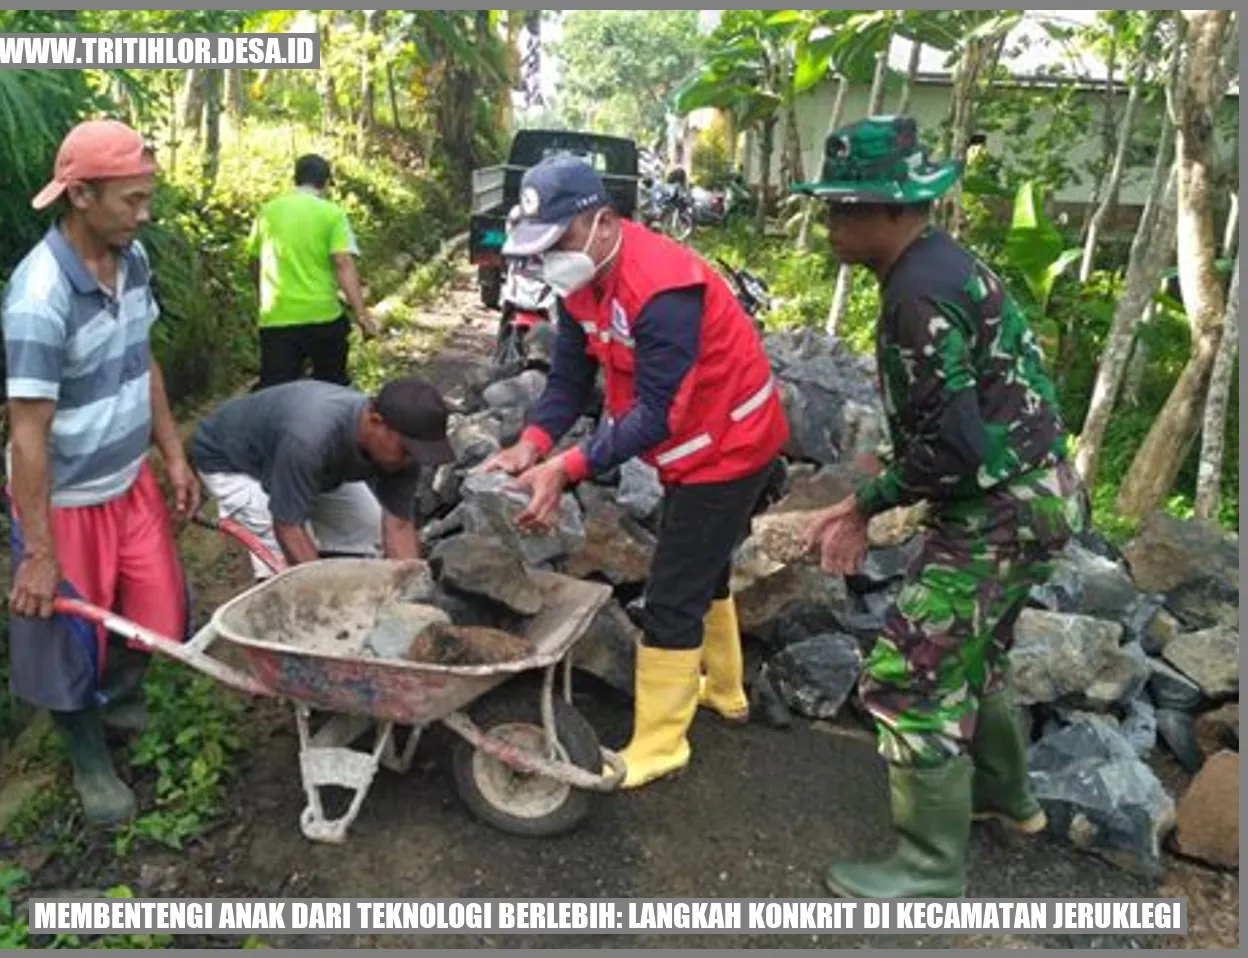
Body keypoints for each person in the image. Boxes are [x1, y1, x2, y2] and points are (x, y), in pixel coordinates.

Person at [793, 116, 1084, 898]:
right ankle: (1005, 800)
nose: (831, 225)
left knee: (907, 676)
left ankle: (928, 863)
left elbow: (953, 450)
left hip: (995, 509)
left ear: (895, 210)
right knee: (973, 656)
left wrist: (862, 506)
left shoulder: (915, 296)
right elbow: (976, 411)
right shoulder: (945, 268)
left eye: (845, 210)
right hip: (1043, 494)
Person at [479, 155, 790, 789]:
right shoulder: (583, 281)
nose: (549, 257)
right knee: (706, 566)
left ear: (601, 222)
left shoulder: (663, 291)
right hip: (694, 449)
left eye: (557, 240)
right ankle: (725, 691)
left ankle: (661, 742)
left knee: (673, 594)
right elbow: (569, 378)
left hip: (730, 449)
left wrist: (566, 468)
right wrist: (531, 443)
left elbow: (656, 415)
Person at [3, 118, 200, 826]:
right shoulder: (38, 297)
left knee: (157, 611)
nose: (144, 215)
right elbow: (28, 436)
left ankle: (119, 698)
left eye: (146, 198)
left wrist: (172, 454)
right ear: (80, 196)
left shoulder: (133, 259)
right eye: (131, 201)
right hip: (66, 498)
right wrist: (39, 552)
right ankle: (88, 756)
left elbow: (142, 360)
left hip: (129, 478)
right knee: (67, 639)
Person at [187, 377, 455, 579]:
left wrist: (410, 598)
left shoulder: (402, 450)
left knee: (367, 530)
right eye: (406, 450)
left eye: (418, 453)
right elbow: (288, 526)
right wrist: (324, 596)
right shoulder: (309, 438)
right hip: (234, 461)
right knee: (280, 567)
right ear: (375, 421)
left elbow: (398, 526)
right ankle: (286, 644)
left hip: (307, 465)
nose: (411, 461)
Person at [246, 153, 377, 390]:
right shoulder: (332, 214)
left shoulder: (267, 211)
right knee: (332, 388)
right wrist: (362, 315)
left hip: (277, 317)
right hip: (323, 317)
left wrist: (262, 297)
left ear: (295, 179)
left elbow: (254, 262)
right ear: (326, 183)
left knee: (276, 393)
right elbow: (342, 263)